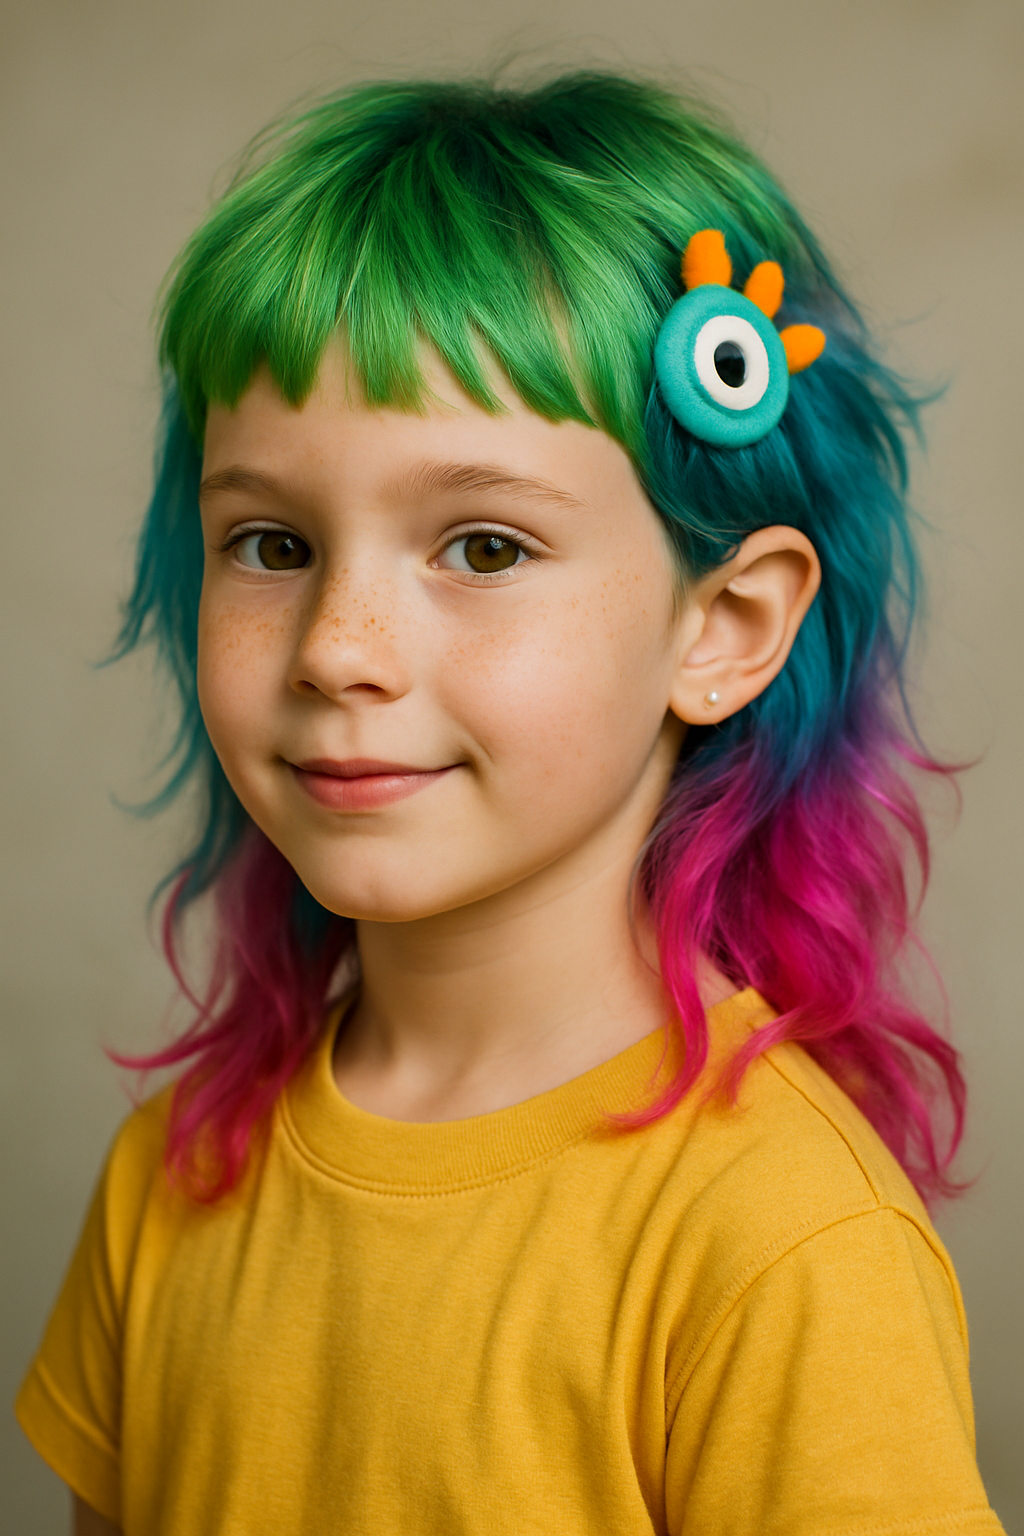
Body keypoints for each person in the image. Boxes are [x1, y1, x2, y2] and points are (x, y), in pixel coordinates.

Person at [16, 71, 1004, 1535]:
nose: (338, 649)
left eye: (481, 547)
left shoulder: (784, 1245)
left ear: (723, 627)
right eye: (272, 540)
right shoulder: (174, 1172)